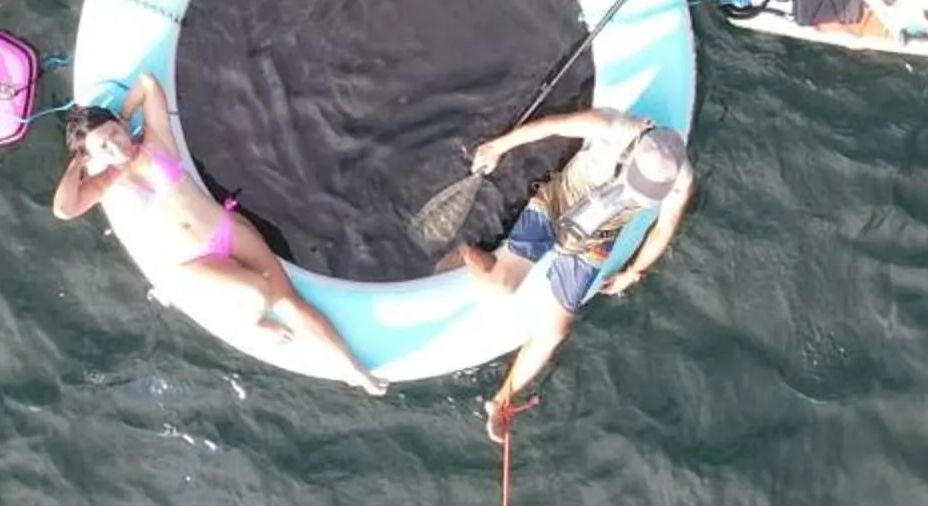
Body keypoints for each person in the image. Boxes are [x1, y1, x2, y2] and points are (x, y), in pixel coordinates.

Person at [51, 72, 388, 395]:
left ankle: (352, 370)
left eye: (114, 135)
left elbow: (148, 85)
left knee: (288, 301)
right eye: (104, 148)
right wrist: (77, 164)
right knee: (258, 292)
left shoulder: (156, 142)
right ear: (93, 157)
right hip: (193, 260)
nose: (115, 147)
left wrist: (123, 115)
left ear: (121, 128)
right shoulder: (105, 184)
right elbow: (64, 209)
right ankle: (252, 325)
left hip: (227, 229)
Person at [444, 112, 694, 440]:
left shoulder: (680, 180)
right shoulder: (614, 128)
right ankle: (461, 249)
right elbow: (554, 125)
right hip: (557, 205)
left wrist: (632, 272)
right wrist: (496, 147)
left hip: (593, 242)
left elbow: (662, 230)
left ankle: (500, 402)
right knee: (501, 286)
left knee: (555, 331)